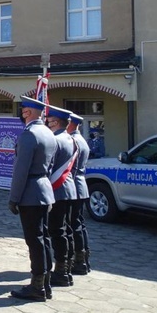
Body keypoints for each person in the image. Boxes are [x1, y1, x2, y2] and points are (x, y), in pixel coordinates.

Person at [8, 96, 56, 302]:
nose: (22, 113)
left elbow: (21, 170)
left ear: (27, 112)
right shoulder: (48, 132)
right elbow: (51, 165)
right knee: (43, 238)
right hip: (45, 189)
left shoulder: (29, 135)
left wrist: (14, 198)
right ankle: (45, 283)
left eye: (23, 109)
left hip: (30, 193)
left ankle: (37, 287)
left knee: (34, 240)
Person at [44, 106, 78, 289]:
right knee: (64, 230)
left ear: (56, 122)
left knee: (56, 231)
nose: (47, 124)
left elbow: (48, 166)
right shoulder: (72, 140)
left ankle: (61, 271)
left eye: (49, 121)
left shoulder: (56, 140)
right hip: (68, 189)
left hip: (56, 189)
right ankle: (67, 267)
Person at [67, 113, 91, 275]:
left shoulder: (73, 141)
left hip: (73, 186)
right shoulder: (82, 140)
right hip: (80, 186)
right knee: (79, 224)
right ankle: (83, 259)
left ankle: (78, 260)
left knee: (73, 224)